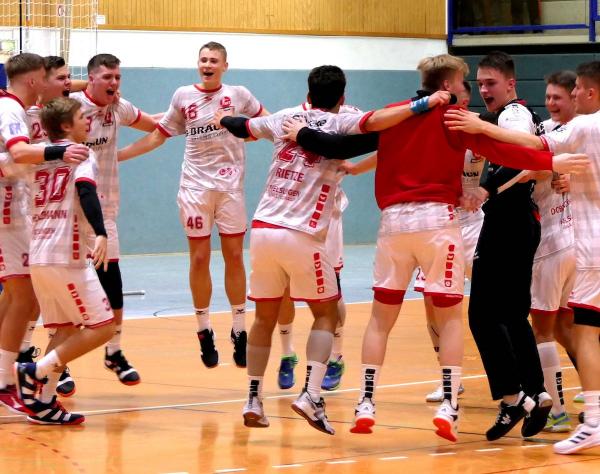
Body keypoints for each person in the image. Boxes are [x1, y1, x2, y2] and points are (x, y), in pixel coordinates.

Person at [280, 54, 584, 442]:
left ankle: (366, 401)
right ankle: (450, 404)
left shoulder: (393, 114)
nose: (467, 91)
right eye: (463, 83)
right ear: (447, 86)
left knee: (381, 319)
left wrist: (300, 134)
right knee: (455, 316)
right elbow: (506, 154)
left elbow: (343, 142)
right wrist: (553, 159)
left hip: (394, 225)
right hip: (441, 222)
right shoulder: (455, 117)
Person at [445, 60, 600, 455]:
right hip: (557, 235)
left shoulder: (568, 125)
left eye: (573, 91)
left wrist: (480, 133)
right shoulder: (566, 129)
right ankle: (542, 397)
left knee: (558, 327)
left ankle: (560, 409)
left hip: (560, 237)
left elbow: (529, 151)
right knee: (551, 324)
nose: (567, 98)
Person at [117, 42, 267, 369]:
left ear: (225, 65)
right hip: (195, 188)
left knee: (233, 256)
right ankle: (204, 330)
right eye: (203, 59)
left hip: (230, 187)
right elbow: (159, 134)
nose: (207, 64)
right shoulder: (183, 96)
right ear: (197, 64)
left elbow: (263, 124)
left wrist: (246, 130)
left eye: (214, 60)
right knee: (199, 257)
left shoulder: (239, 94)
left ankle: (239, 331)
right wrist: (118, 157)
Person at [13, 96, 114, 424]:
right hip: (65, 256)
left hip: (39, 256)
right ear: (67, 126)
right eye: (82, 116)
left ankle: (43, 403)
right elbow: (85, 191)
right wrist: (100, 232)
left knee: (66, 329)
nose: (88, 120)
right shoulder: (81, 154)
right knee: (103, 327)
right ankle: (35, 371)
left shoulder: (37, 157)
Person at [0, 53, 88, 414]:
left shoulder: (20, 107)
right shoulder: (10, 109)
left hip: (15, 209)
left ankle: (3, 373)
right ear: (35, 79)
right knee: (24, 295)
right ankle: (6, 381)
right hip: (8, 211)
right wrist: (61, 150)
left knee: (15, 297)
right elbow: (19, 153)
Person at [70, 53, 157, 385]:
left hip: (104, 211)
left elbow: (156, 128)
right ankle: (58, 363)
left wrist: (122, 155)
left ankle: (114, 352)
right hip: (66, 212)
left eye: (117, 77)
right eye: (107, 77)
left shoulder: (120, 108)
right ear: (90, 78)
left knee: (113, 284)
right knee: (65, 288)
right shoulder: (71, 106)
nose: (114, 83)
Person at [276, 102, 362, 392]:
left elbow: (387, 144)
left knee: (332, 287)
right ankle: (287, 353)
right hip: (292, 213)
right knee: (284, 286)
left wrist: (358, 167)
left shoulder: (350, 115)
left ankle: (336, 357)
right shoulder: (292, 116)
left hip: (327, 215)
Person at [530, 70, 578, 433]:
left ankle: (557, 410)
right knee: (565, 326)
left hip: (553, 243)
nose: (550, 103)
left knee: (542, 329)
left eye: (557, 97)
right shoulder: (546, 129)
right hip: (569, 242)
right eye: (547, 97)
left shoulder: (570, 136)